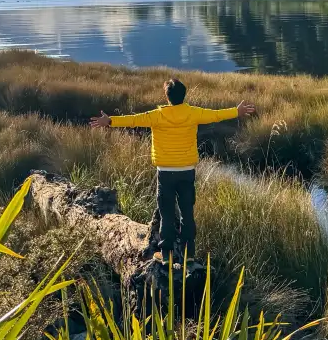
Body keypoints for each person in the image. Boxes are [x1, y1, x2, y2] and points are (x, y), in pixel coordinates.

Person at [90, 79, 255, 266]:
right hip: (187, 172)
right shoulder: (193, 112)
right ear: (184, 95)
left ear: (166, 96)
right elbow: (216, 115)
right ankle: (189, 254)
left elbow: (133, 119)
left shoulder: (157, 115)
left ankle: (166, 254)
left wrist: (109, 121)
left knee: (166, 215)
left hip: (165, 173)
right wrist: (237, 111)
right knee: (187, 213)